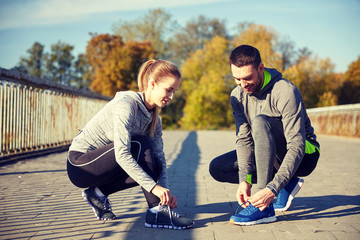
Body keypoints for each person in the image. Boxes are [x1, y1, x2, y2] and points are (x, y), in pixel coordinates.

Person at [66, 59, 194, 229]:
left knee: (153, 162)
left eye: (174, 91)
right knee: (141, 143)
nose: (171, 96)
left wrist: (165, 193)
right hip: (80, 165)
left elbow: (160, 159)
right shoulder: (126, 106)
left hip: (106, 166)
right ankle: (156, 212)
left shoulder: (155, 118)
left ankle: (96, 194)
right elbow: (122, 155)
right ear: (153, 84)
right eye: (168, 90)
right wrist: (155, 189)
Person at [209, 45, 320, 225]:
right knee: (219, 167)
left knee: (261, 122)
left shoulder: (285, 91)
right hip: (271, 154)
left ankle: (264, 207)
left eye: (247, 78)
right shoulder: (237, 96)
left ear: (260, 68)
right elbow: (244, 140)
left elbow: (297, 145)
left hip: (305, 155)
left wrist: (271, 190)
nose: (243, 85)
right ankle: (285, 183)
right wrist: (244, 180)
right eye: (237, 79)